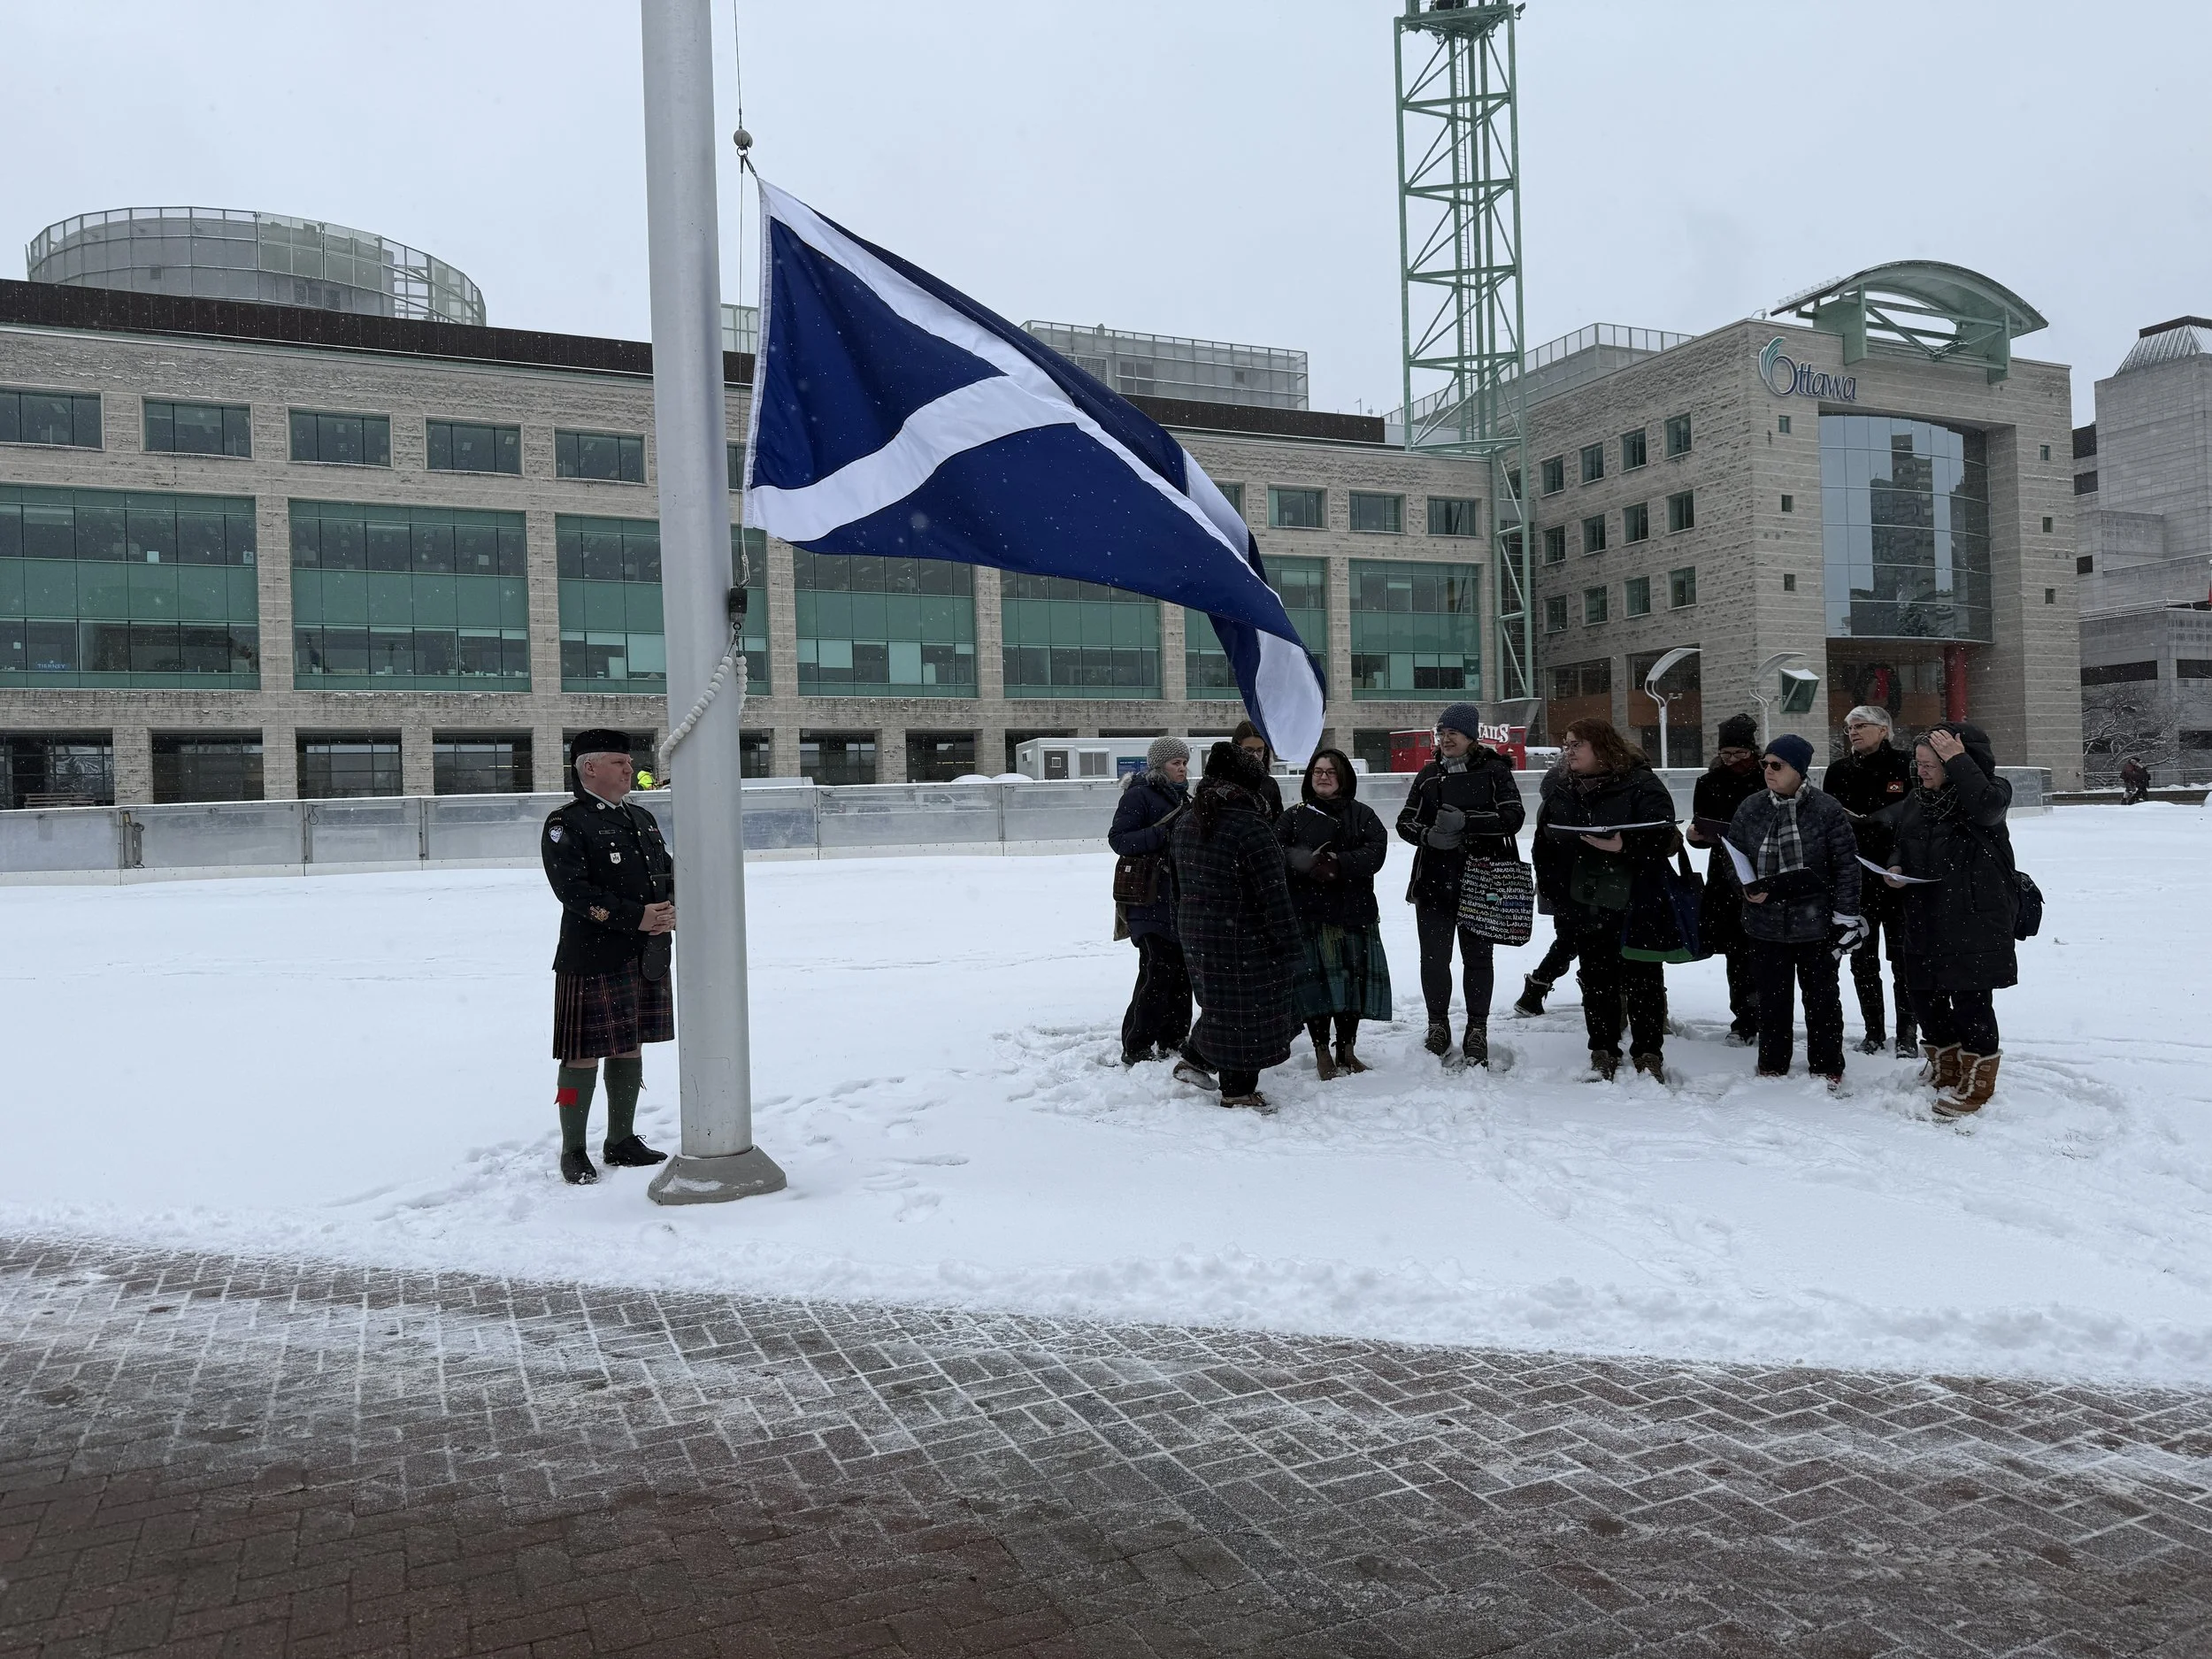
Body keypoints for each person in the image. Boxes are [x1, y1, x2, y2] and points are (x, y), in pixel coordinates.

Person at [541, 729, 675, 1185]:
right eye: (620, 761)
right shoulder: (567, 823)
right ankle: (573, 1149)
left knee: (629, 1045)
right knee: (582, 1054)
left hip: (644, 952)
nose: (629, 768)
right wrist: (637, 916)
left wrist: (669, 910)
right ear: (589, 768)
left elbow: (666, 871)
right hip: (592, 954)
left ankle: (621, 1140)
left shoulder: (642, 818)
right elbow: (573, 891)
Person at [1532, 718, 1683, 1081]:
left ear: (1601, 748)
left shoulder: (1640, 782)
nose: (1567, 752)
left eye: (1575, 745)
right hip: (1584, 900)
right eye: (1565, 745)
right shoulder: (1561, 788)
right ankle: (1602, 1050)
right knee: (1596, 981)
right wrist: (1557, 898)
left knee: (1643, 979)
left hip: (1636, 900)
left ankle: (1648, 1054)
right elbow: (1545, 845)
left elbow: (1667, 838)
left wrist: (1625, 845)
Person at [1880, 723, 2016, 1118]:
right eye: (1918, 764)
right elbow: (1899, 843)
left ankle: (1978, 1083)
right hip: (1925, 917)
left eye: (1929, 764)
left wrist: (1959, 760)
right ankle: (1946, 1067)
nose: (1920, 772)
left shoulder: (1989, 792)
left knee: (1971, 1000)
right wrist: (1894, 866)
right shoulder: (1918, 800)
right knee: (1924, 996)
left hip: (1973, 917)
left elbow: (1988, 809)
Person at [1724, 733, 1863, 1087]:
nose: (1768, 772)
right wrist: (1745, 888)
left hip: (1815, 922)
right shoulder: (1752, 806)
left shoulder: (1826, 809)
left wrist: (1844, 916)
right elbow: (1732, 855)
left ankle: (1827, 1064)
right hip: (1764, 922)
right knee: (1771, 999)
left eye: (1777, 765)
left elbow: (1847, 866)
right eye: (1765, 765)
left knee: (1822, 1000)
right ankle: (1772, 1062)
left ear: (1798, 770)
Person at [1171, 743, 1302, 1109]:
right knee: (1250, 1014)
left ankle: (1195, 1059)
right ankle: (1238, 1091)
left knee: (1222, 1006)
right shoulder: (1249, 827)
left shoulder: (1188, 821)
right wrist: (1290, 946)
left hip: (1198, 932)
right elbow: (1274, 896)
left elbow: (1176, 886)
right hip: (1245, 937)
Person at [1394, 703, 1525, 1065]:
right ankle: (1437, 1024)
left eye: (1453, 732)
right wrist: (1428, 836)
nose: (1446, 738)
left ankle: (1477, 1029)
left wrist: (1466, 821)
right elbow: (1404, 822)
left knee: (1478, 958)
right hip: (1434, 881)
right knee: (1434, 959)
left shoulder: (1495, 771)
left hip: (1482, 880)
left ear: (1472, 737)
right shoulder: (1428, 776)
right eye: (1442, 732)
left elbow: (1513, 817)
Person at [1278, 748, 1392, 1078]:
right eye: (1317, 771)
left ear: (1343, 777)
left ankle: (1347, 1050)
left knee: (1351, 989)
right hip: (1310, 915)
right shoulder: (1294, 815)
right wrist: (1306, 863)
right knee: (1317, 990)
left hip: (1353, 913)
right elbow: (1277, 848)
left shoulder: (1362, 814)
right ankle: (1320, 1051)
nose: (1323, 776)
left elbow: (1377, 851)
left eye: (1330, 771)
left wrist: (1340, 863)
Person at [1820, 705, 1918, 1056]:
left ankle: (1908, 1031)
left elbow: (1917, 816)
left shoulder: (1907, 765)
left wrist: (1882, 827)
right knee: (1862, 958)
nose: (1854, 733)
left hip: (1897, 876)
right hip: (1855, 876)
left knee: (1903, 959)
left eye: (1861, 726)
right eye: (1849, 728)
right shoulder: (1839, 770)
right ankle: (1873, 1030)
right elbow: (1828, 820)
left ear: (1884, 729)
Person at [1681, 713, 1766, 1046]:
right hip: (1725, 873)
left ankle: (1769, 1013)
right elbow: (1700, 825)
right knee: (1736, 950)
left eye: (1739, 755)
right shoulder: (1710, 781)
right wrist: (1696, 835)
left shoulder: (1766, 777)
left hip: (1766, 869)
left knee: (1766, 949)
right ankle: (1743, 1018)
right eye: (1726, 754)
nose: (1731, 761)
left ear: (1752, 752)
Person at [1109, 736, 1193, 1066]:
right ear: (1160, 766)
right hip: (1147, 899)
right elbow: (1118, 840)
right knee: (1157, 973)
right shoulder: (1138, 795)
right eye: (1176, 762)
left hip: (1178, 900)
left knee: (1181, 974)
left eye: (1185, 762)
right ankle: (1137, 1045)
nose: (1183, 767)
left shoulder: (1186, 799)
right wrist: (1161, 835)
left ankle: (1173, 1039)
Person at [1511, 754, 1577, 1018]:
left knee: (1572, 939)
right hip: (1572, 882)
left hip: (1558, 882)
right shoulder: (1563, 801)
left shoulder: (1552, 799)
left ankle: (1536, 989)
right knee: (1574, 940)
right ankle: (1536, 989)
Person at [1230, 718, 1285, 821]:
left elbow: (1278, 825)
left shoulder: (1269, 784)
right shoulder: (1224, 781)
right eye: (1248, 750)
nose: (1255, 756)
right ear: (1237, 749)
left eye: (1260, 750)